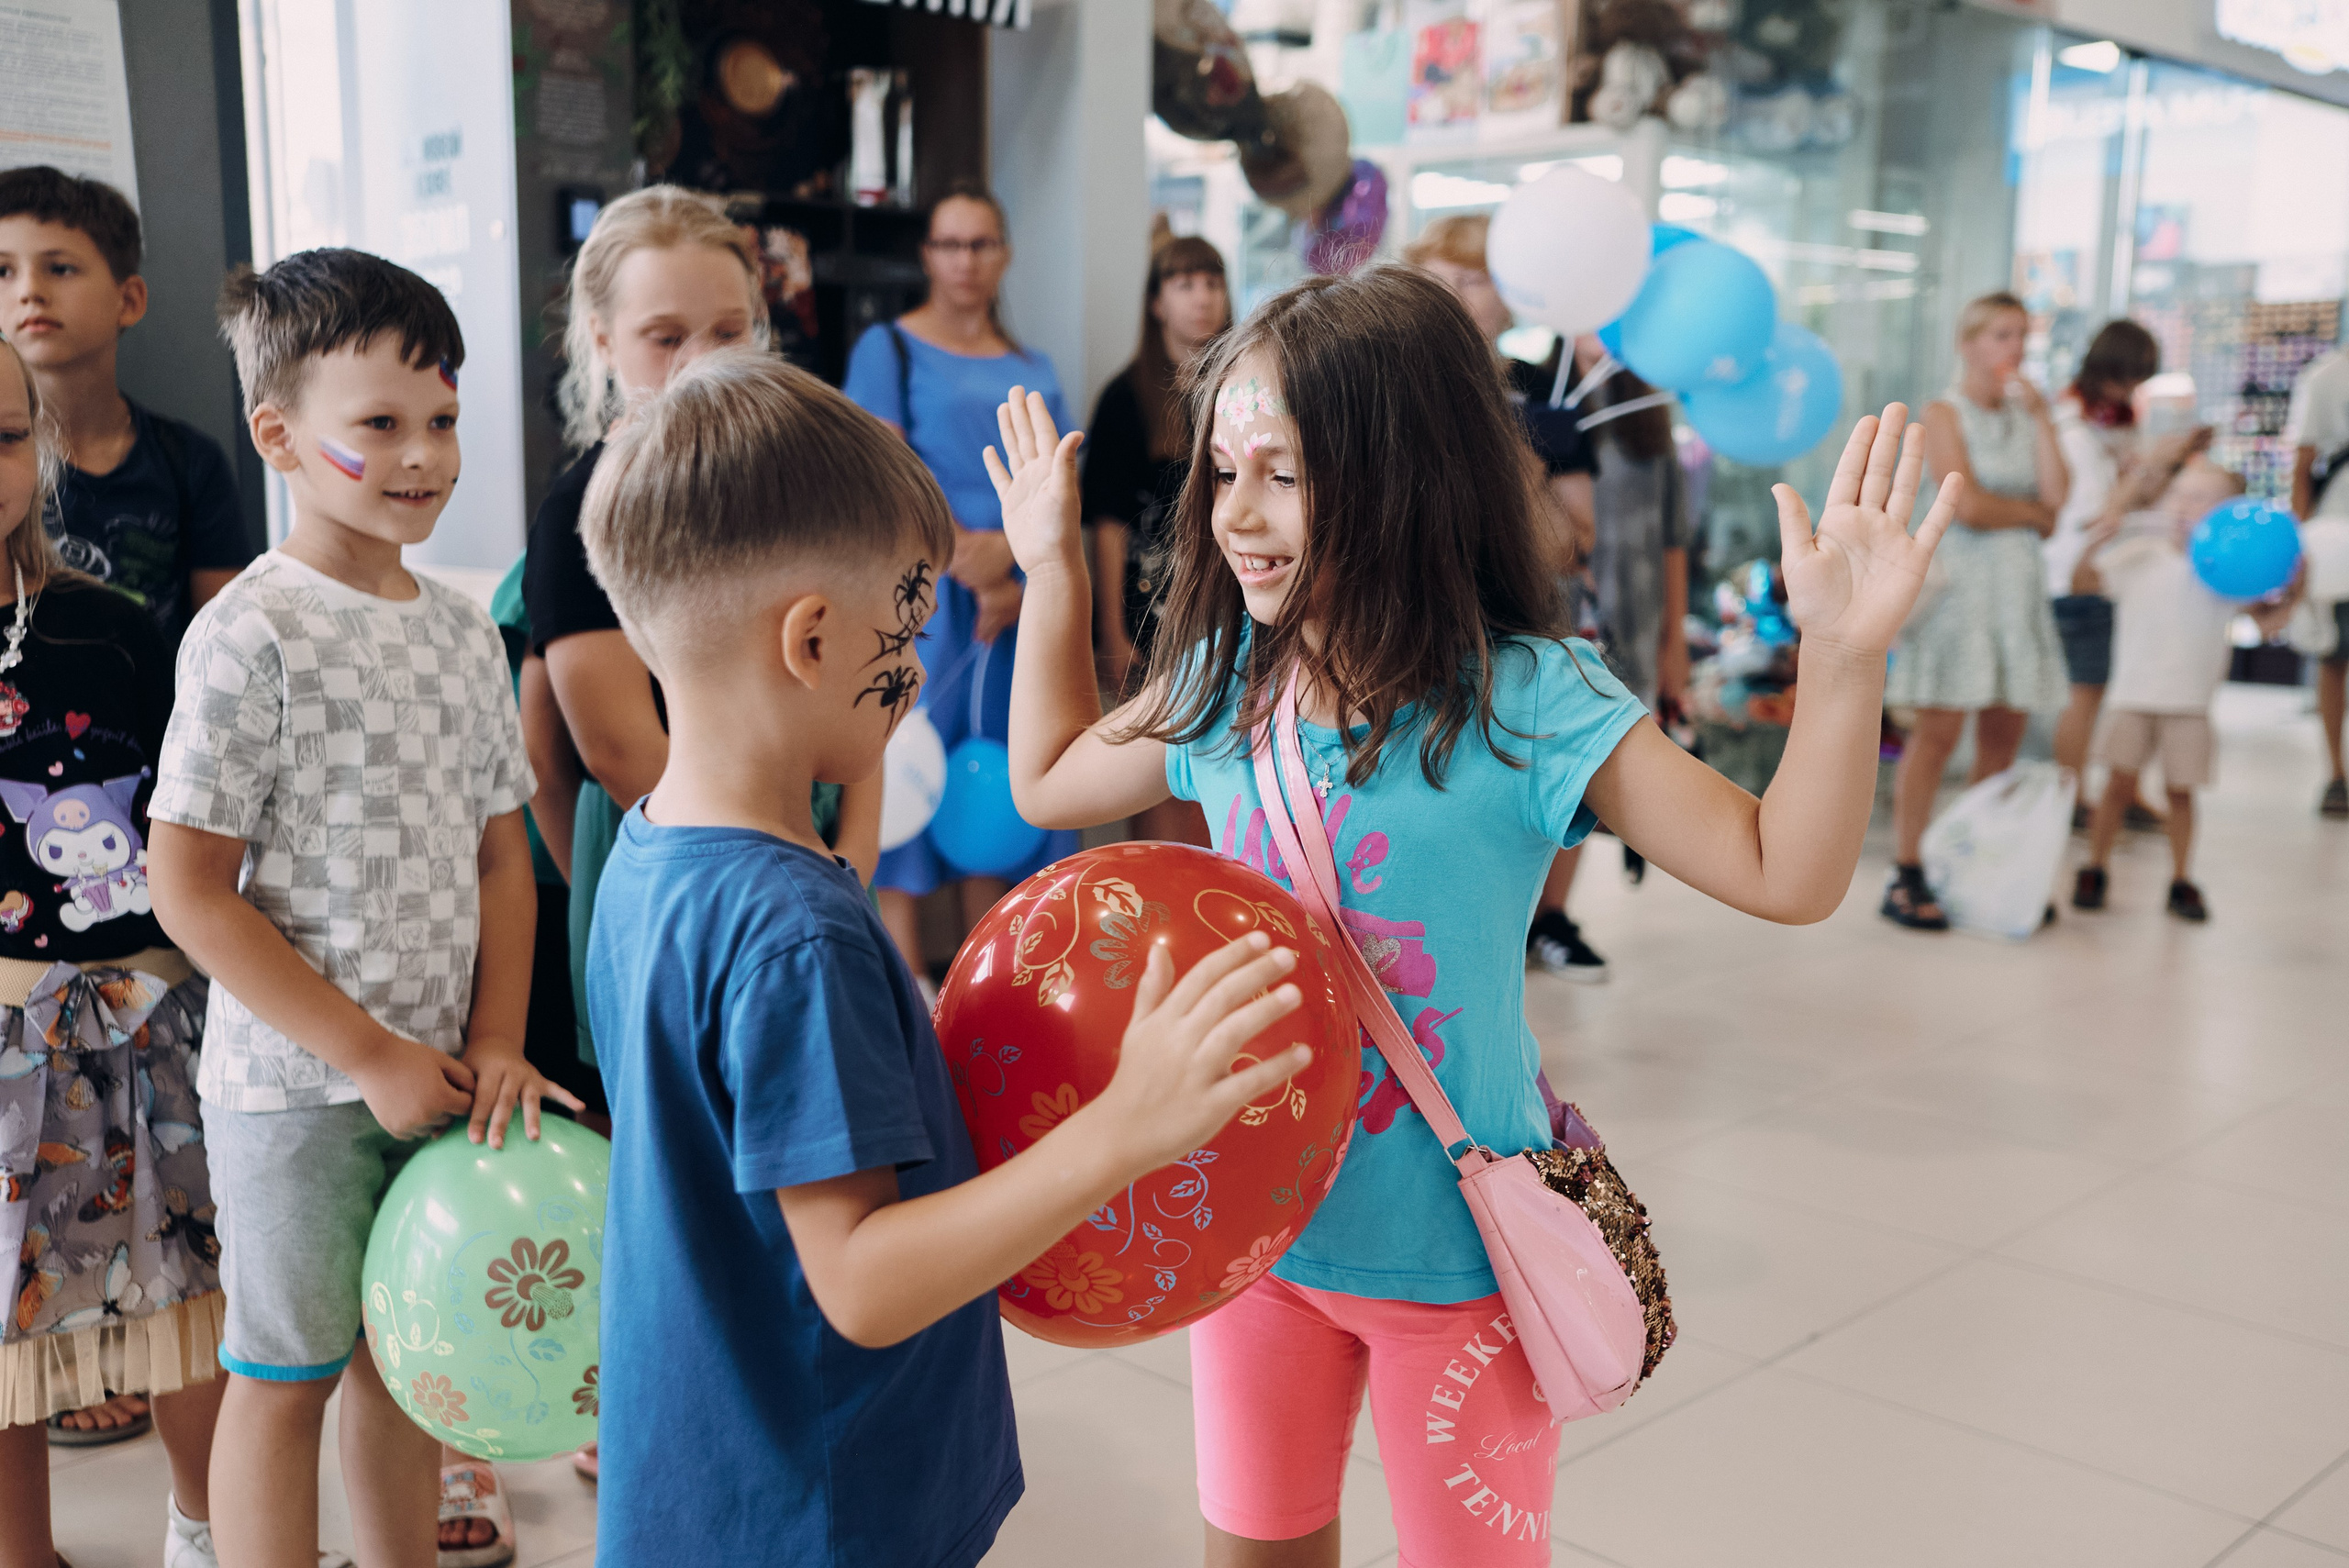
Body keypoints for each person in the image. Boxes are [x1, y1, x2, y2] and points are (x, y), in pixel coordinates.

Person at [996, 264, 1957, 1568]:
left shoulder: (1533, 699)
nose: (1239, 514)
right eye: (1223, 473)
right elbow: (1050, 777)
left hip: (1462, 1265)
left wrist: (1846, 658)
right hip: (1255, 1238)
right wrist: (1053, 566)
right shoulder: (1229, 679)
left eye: (1281, 471)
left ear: (1404, 471)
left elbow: (1784, 870)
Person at [572, 348, 1310, 1566]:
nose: (917, 669)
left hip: (706, 1479)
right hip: (825, 1507)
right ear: (810, 639)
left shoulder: (650, 856)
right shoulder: (794, 931)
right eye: (905, 626)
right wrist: (1129, 1123)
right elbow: (860, 1280)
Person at [146, 249, 581, 1568]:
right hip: (297, 1093)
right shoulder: (249, 633)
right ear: (279, 436)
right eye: (379, 425)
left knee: (411, 1359)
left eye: (441, 419)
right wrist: (369, 1054)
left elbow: (505, 856)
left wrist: (496, 1039)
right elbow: (189, 891)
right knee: (285, 1373)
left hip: (445, 1071)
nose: (423, 455)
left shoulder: (458, 627)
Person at [526, 184, 881, 1124]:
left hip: (815, 844)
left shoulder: (803, 491)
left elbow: (865, 676)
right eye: (664, 335)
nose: (698, 363)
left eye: (728, 331)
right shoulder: (579, 511)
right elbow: (613, 749)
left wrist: (851, 850)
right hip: (691, 861)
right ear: (601, 340)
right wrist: (788, 852)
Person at [0, 335, 228, 1568]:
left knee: (185, 1303)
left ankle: (204, 1529)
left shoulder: (114, 632)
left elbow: (182, 833)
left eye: (0, 433)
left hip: (144, 1021)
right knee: (2, 1338)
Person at [845, 181, 1078, 984]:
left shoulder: (1033, 365)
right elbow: (876, 473)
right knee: (905, 775)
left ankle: (995, 991)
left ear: (1004, 254)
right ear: (927, 255)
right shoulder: (889, 348)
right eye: (949, 244)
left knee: (1008, 783)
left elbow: (1054, 482)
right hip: (923, 593)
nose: (965, 261)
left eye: (980, 244)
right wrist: (965, 555)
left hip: (1015, 599)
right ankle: (906, 997)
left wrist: (1015, 575)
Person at [1403, 215, 1615, 982]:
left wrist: (1512, 465)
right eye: (1435, 279)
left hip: (1529, 631)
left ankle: (1548, 920)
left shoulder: (1547, 412)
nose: (1452, 297)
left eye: (1471, 279)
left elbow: (1571, 542)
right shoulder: (1390, 401)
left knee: (1562, 779)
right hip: (1424, 639)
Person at [0, 166, 251, 644]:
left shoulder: (190, 464)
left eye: (60, 267)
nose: (29, 290)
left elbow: (228, 646)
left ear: (129, 300)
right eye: (2, 271)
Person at [1885, 291, 2070, 929]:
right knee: (1935, 736)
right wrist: (2029, 516)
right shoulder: (1943, 411)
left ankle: (1969, 860)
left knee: (2001, 741)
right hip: (1961, 593)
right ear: (1968, 343)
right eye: (2000, 334)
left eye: (2021, 336)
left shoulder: (2025, 417)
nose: (2013, 348)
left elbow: (2057, 500)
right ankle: (1906, 867)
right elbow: (1969, 505)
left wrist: (2044, 420)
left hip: (2016, 595)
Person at [2070, 460, 2289, 921]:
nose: (2187, 505)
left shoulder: (2225, 572)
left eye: (2203, 498)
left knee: (2181, 793)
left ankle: (2181, 877)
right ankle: (2095, 865)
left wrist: (2296, 581)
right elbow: (2084, 584)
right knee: (2115, 787)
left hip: (2189, 702)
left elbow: (2267, 624)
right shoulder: (2140, 556)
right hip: (2131, 694)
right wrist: (2095, 543)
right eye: (2181, 494)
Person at [1080, 234, 1229, 847]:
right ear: (1157, 302)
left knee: (1219, 774)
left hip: (1224, 609)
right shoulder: (1125, 397)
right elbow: (1107, 524)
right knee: (1156, 775)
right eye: (1185, 283)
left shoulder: (1240, 385)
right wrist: (1112, 630)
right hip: (1150, 622)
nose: (1202, 298)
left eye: (1213, 282)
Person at [2045, 319, 2212, 816]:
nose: (2134, 387)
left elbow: (2135, 501)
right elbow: (2102, 514)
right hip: (2081, 569)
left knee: (2110, 693)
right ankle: (2069, 798)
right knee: (2086, 692)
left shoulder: (2114, 423)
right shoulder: (2072, 427)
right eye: (2130, 376)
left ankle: (2118, 793)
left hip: (2112, 571)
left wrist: (2175, 461)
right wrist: (2148, 466)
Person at [2285, 343, 2349, 817]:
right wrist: (2298, 546)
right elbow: (2302, 466)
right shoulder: (2328, 376)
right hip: (2337, 536)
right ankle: (2335, 774)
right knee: (2335, 656)